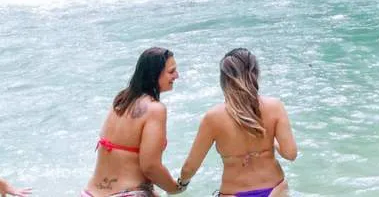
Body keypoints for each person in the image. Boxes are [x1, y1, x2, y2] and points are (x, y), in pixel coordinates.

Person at [178, 49, 296, 197]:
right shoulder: (275, 106)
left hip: (233, 192)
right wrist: (271, 143)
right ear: (255, 73)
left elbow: (190, 167)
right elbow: (290, 154)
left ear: (224, 79)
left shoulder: (213, 117)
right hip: (275, 190)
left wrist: (181, 184)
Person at [83, 47, 184, 197]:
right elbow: (150, 166)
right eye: (171, 71)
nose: (177, 75)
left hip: (90, 193)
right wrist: (174, 188)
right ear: (154, 74)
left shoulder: (121, 100)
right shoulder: (155, 109)